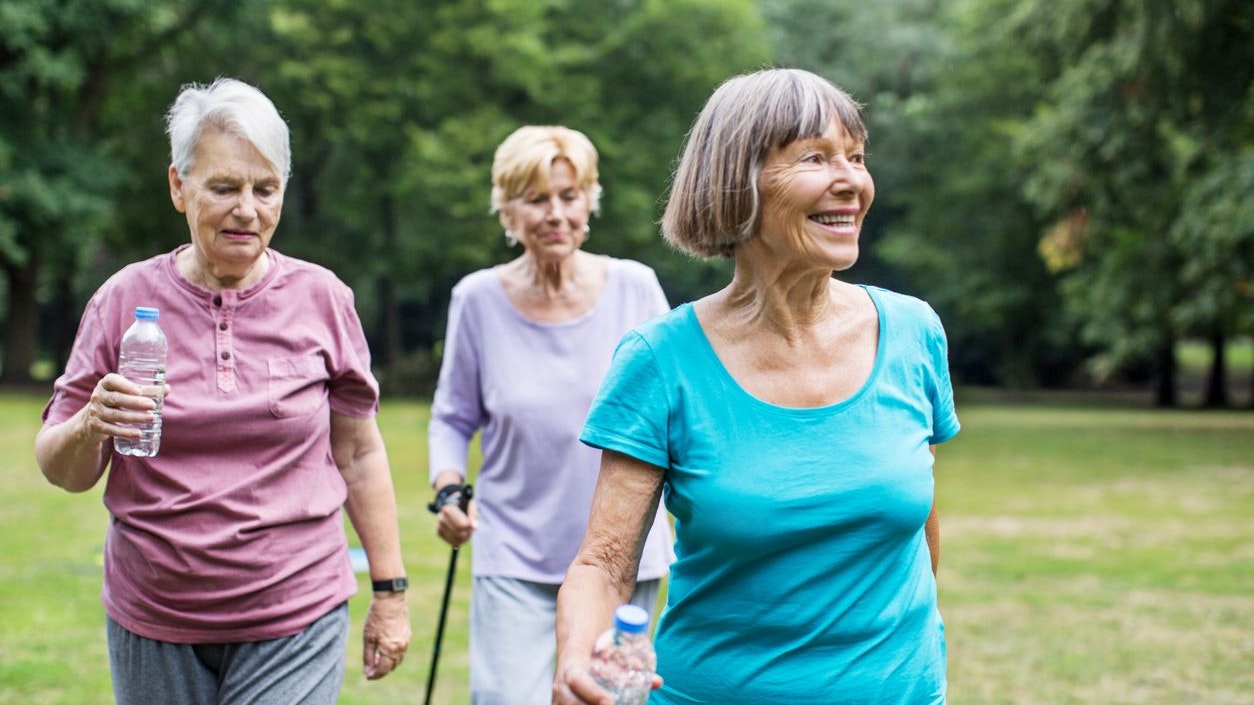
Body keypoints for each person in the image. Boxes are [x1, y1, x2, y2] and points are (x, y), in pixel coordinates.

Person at [553, 68, 961, 705]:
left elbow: (917, 519)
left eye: (856, 157)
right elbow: (605, 563)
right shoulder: (661, 361)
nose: (851, 180)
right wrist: (578, 653)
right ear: (738, 183)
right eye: (816, 158)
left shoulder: (912, 332)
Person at [34, 77, 410, 704]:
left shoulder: (323, 299)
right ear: (179, 186)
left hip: (296, 609)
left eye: (266, 190)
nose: (248, 209)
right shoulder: (123, 299)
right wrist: (90, 423)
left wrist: (391, 594)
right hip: (154, 614)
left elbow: (359, 454)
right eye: (225, 187)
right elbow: (62, 469)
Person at [427, 125, 675, 705]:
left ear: (590, 201)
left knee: (609, 698)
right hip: (515, 553)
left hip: (624, 554)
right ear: (506, 211)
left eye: (569, 195)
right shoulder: (477, 299)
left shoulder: (636, 289)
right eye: (537, 199)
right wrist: (447, 491)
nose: (556, 213)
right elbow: (452, 416)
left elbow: (680, 408)